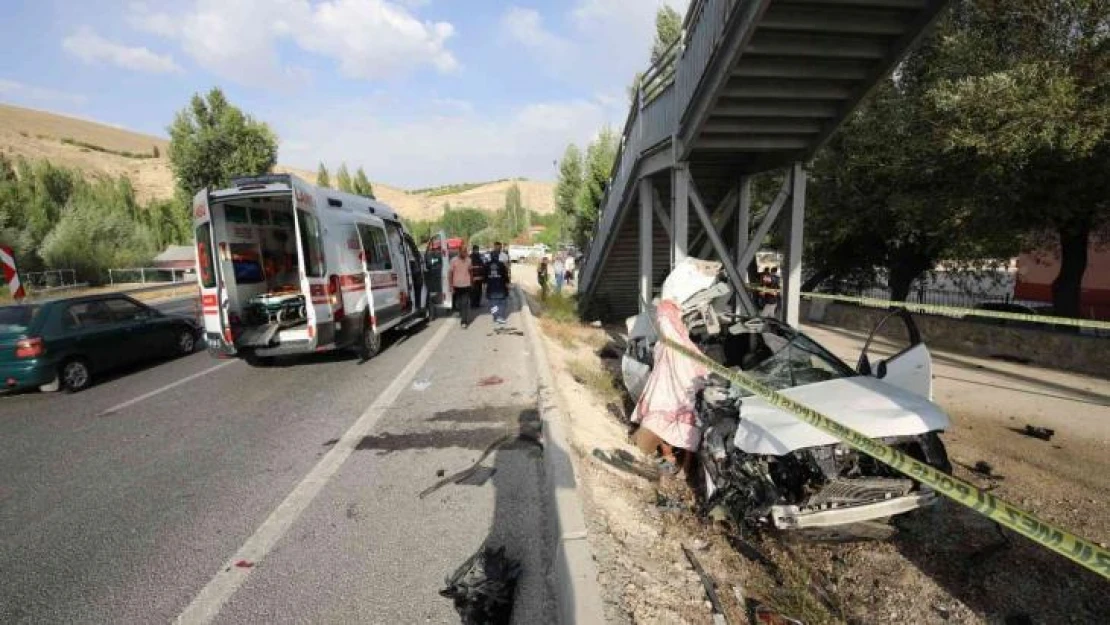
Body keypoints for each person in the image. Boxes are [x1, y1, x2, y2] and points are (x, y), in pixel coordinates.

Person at [449, 244, 473, 328]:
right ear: (459, 252)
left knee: (465, 303)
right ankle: (462, 313)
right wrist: (451, 285)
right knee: (459, 303)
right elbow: (450, 274)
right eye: (463, 251)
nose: (465, 253)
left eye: (466, 251)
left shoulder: (469, 260)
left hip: (466, 285)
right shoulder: (453, 260)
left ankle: (464, 321)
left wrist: (472, 282)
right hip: (457, 285)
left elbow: (471, 272)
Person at [485, 249, 511, 324]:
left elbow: (485, 277)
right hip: (501, 287)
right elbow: (505, 276)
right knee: (502, 302)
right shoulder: (501, 265)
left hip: (491, 287)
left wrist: (485, 283)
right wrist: (507, 284)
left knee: (493, 303)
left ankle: (495, 317)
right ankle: (500, 317)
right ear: (498, 256)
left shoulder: (487, 265)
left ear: (490, 256)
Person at [468, 244, 486, 309]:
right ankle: (473, 304)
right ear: (473, 250)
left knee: (479, 291)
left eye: (477, 250)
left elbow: (482, 266)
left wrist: (483, 277)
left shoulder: (479, 257)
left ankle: (477, 303)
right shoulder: (470, 257)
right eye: (476, 250)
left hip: (479, 277)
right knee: (473, 291)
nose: (477, 251)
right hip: (473, 277)